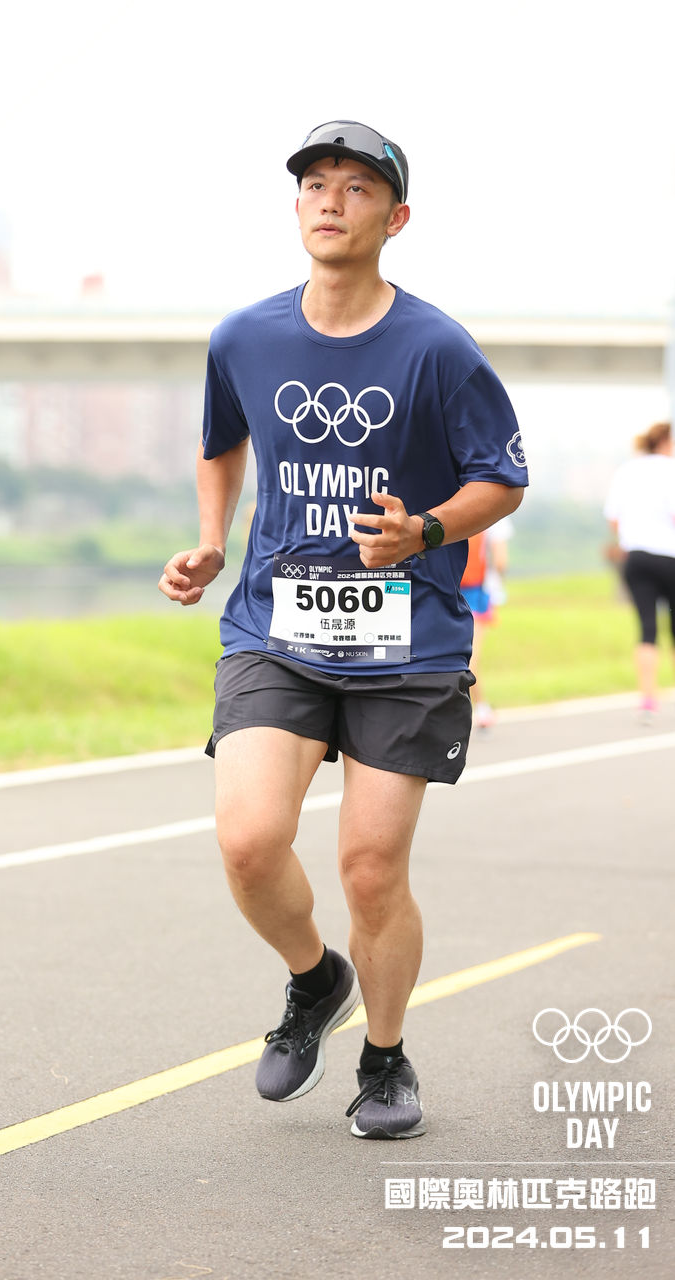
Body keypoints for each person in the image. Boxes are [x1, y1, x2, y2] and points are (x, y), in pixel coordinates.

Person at [159, 120, 527, 1139]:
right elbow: (221, 441)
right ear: (296, 207)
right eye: (315, 184)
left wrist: (425, 529)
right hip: (275, 626)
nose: (330, 199)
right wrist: (210, 540)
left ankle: (385, 1056)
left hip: (406, 643)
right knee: (248, 841)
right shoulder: (244, 336)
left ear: (395, 218)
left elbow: (501, 476)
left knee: (369, 867)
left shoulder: (436, 347)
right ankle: (315, 978)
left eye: (357, 187)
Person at [604, 421, 675, 720]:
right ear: (666, 442)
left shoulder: (627, 470)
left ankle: (647, 700)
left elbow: (613, 518)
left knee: (647, 628)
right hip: (670, 555)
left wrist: (627, 538)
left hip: (636, 557)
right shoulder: (671, 470)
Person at [460, 516, 513, 729]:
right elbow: (501, 561)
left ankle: (477, 708)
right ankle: (481, 709)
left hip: (450, 587)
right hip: (478, 593)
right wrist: (497, 587)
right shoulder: (496, 514)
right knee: (471, 655)